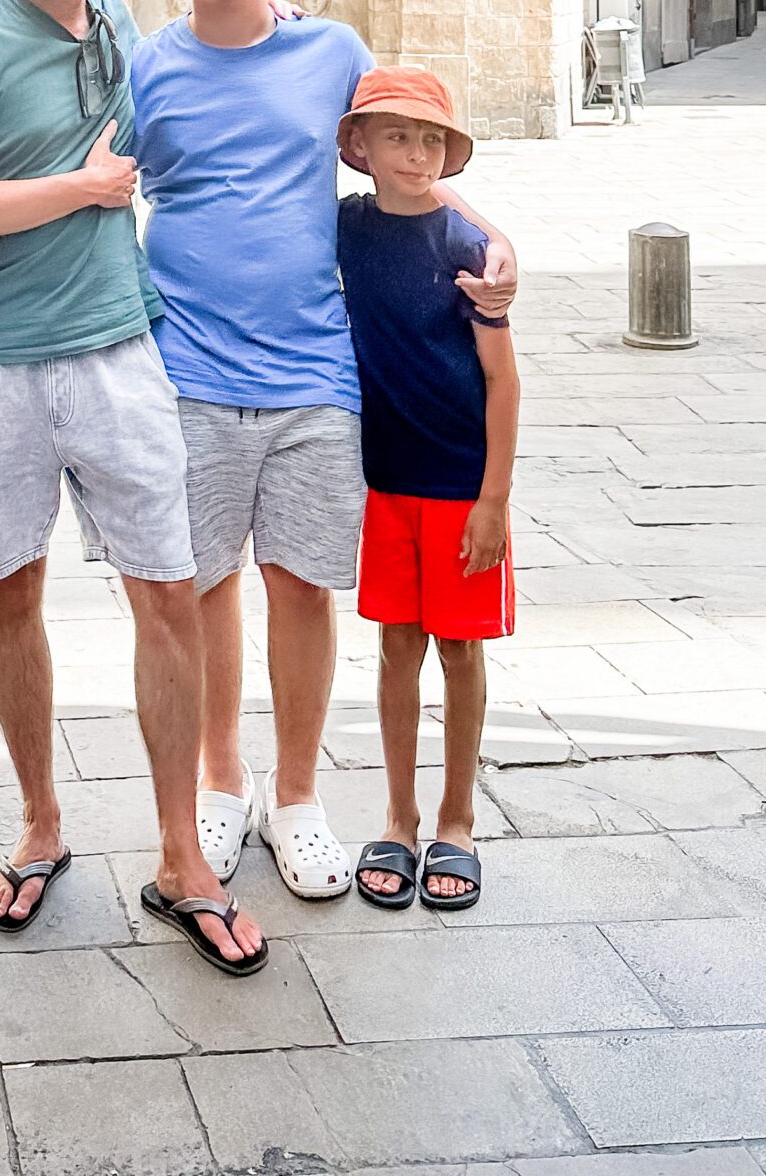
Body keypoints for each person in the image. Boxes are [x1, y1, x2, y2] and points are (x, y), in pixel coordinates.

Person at [132, 0, 518, 902]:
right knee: (204, 582)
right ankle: (224, 777)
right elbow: (89, 174)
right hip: (190, 366)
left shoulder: (332, 51)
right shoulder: (146, 67)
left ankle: (297, 795)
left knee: (301, 584)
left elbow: (411, 152)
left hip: (311, 368)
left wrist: (491, 237)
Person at [0, 0, 265, 977]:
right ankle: (40, 824)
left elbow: (217, 71)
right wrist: (86, 186)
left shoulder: (119, 24)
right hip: (1, 359)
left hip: (118, 349)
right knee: (12, 592)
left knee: (168, 590)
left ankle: (182, 855)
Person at [338, 67, 520, 917]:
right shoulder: (344, 228)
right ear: (360, 148)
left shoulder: (466, 250)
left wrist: (494, 500)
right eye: (396, 136)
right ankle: (400, 818)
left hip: (457, 482)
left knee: (459, 650)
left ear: (449, 153)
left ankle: (459, 819)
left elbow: (503, 380)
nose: (414, 152)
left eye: (429, 138)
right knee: (397, 648)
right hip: (388, 478)